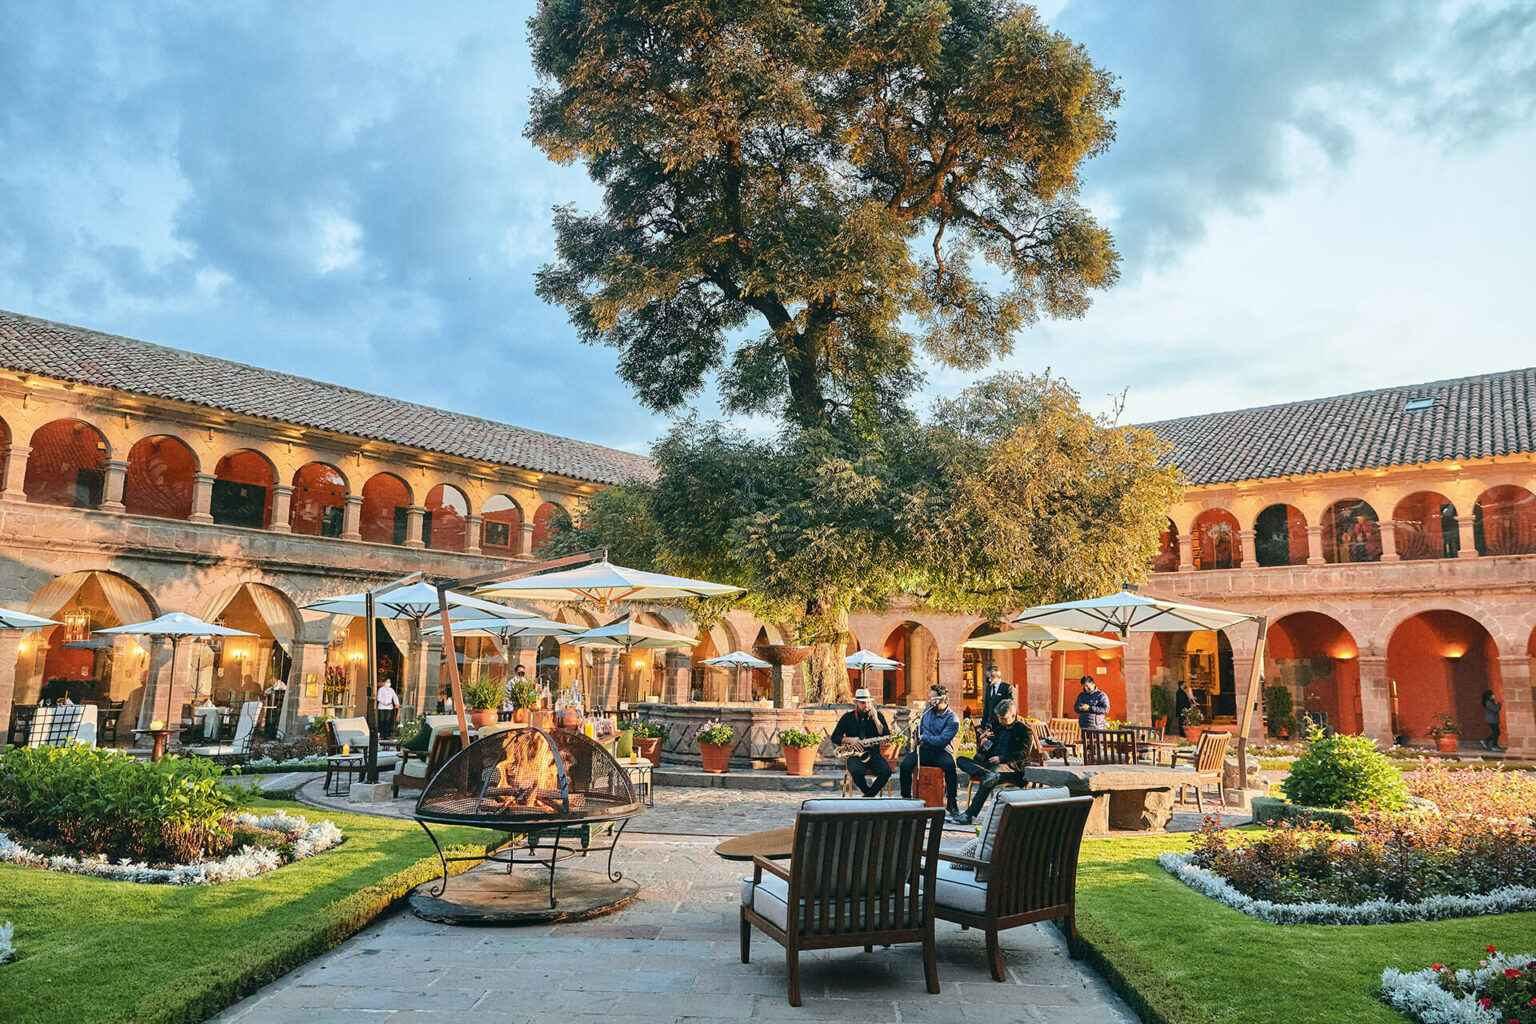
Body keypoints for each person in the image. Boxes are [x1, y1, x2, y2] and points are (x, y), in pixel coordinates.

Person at [953, 699, 1037, 824]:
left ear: (1013, 716)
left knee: (993, 773)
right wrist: (985, 739)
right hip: (989, 766)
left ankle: (969, 815)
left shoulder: (1024, 730)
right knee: (960, 760)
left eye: (1003, 718)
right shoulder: (996, 725)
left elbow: (1023, 754)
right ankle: (987, 774)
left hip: (1011, 767)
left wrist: (1002, 759)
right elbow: (982, 752)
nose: (1000, 721)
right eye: (999, 718)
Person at [899, 685, 960, 815]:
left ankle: (951, 801)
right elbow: (920, 729)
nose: (929, 701)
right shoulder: (927, 711)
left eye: (932, 699)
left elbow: (942, 740)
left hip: (941, 751)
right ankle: (906, 798)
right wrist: (917, 736)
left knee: (950, 766)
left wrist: (924, 737)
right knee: (905, 765)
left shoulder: (952, 718)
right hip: (925, 749)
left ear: (941, 700)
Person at [830, 688, 893, 796]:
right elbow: (835, 737)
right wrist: (850, 740)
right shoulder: (847, 717)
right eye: (863, 703)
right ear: (856, 703)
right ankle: (869, 795)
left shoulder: (878, 716)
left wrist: (876, 719)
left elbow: (886, 736)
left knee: (886, 771)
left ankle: (868, 797)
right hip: (854, 755)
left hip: (873, 754)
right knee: (856, 772)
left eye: (869, 702)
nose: (867, 705)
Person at [979, 664, 1015, 734]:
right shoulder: (988, 688)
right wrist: (982, 726)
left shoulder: (1007, 687)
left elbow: (1010, 707)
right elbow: (986, 707)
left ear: (994, 676)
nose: (987, 679)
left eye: (988, 677)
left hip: (1002, 724)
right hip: (991, 724)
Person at [376, 677, 400, 741]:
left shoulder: (391, 690)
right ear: (384, 682)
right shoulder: (381, 689)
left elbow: (395, 696)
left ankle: (386, 735)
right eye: (387, 682)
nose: (388, 683)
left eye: (389, 682)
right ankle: (380, 735)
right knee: (381, 721)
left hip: (389, 708)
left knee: (387, 721)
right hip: (382, 707)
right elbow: (379, 698)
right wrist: (385, 703)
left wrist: (397, 704)